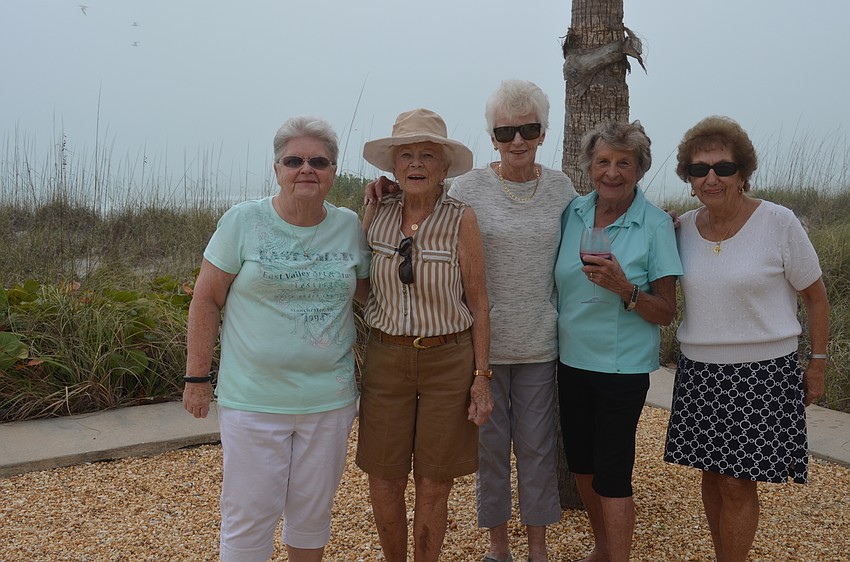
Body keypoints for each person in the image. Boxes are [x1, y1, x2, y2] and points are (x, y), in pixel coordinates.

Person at [365, 79, 578, 562]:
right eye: (506, 131)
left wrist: (662, 223)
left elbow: (595, 224)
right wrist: (384, 187)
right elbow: (421, 198)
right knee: (489, 454)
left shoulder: (562, 188)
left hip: (537, 342)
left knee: (538, 451)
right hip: (473, 350)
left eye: (528, 129)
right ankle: (498, 548)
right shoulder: (468, 188)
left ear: (543, 133)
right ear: (493, 136)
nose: (517, 140)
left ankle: (538, 550)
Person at [182, 116, 371, 562]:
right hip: (254, 402)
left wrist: (388, 211)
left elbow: (372, 295)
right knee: (249, 517)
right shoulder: (243, 221)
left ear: (333, 173)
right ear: (277, 169)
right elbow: (207, 299)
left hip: (329, 400)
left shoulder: (349, 227)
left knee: (311, 516)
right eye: (294, 160)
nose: (306, 169)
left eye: (318, 161)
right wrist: (196, 377)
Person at [663, 116, 830, 562]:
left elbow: (815, 296)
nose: (711, 177)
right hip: (699, 372)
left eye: (723, 167)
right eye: (700, 170)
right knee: (713, 477)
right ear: (690, 179)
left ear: (743, 173)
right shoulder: (680, 232)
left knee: (738, 481)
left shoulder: (778, 222)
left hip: (762, 373)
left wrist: (817, 362)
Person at [355, 107, 493, 562]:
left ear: (445, 167)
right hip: (386, 358)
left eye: (427, 155)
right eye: (407, 155)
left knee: (434, 480)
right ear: (393, 166)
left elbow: (478, 304)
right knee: (384, 476)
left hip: (448, 361)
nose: (416, 164)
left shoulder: (461, 219)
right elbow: (355, 285)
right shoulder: (375, 213)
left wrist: (481, 377)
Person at [554, 120, 682, 562]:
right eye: (603, 161)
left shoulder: (656, 224)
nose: (612, 172)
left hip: (621, 369)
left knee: (612, 474)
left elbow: (666, 311)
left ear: (640, 169)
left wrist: (626, 290)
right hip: (570, 360)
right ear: (589, 166)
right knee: (583, 467)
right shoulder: (572, 212)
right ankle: (604, 547)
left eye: (623, 163)